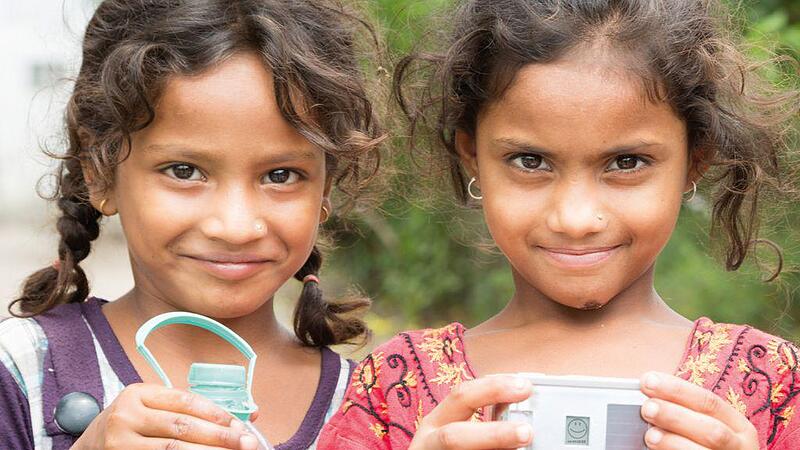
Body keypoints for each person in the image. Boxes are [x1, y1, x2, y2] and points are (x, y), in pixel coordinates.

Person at [319, 0, 800, 449]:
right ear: (472, 156)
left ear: (695, 161)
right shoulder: (390, 387)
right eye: (530, 161)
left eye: (627, 162)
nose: (574, 219)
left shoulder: (774, 388)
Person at [0, 1, 384, 449]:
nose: (236, 226)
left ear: (326, 187)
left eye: (281, 176)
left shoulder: (374, 409)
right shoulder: (23, 372)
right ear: (99, 173)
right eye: (183, 171)